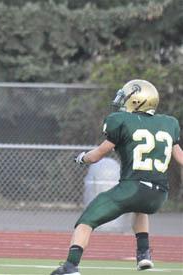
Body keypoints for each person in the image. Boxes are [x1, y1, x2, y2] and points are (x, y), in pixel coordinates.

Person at [51, 79, 183, 275]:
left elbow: (97, 155)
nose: (122, 100)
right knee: (140, 208)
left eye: (127, 97)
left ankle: (70, 266)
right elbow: (179, 156)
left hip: (132, 188)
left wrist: (81, 158)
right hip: (158, 193)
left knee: (86, 221)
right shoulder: (169, 123)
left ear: (137, 100)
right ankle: (144, 254)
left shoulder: (121, 121)